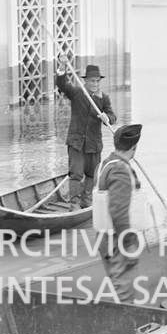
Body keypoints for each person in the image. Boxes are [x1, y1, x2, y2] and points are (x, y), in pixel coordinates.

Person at [95, 123, 145, 302]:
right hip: (117, 240)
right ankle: (129, 329)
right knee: (125, 292)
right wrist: (129, 245)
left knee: (119, 287)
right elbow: (119, 212)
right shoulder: (120, 170)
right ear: (134, 147)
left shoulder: (105, 164)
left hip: (104, 238)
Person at [55, 63, 116, 208]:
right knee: (76, 173)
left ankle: (87, 202)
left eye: (97, 81)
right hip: (76, 143)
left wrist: (107, 118)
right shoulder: (77, 93)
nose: (95, 84)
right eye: (91, 81)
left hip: (94, 145)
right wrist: (62, 66)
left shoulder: (104, 99)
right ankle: (74, 204)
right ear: (85, 81)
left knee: (91, 174)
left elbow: (113, 116)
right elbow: (61, 84)